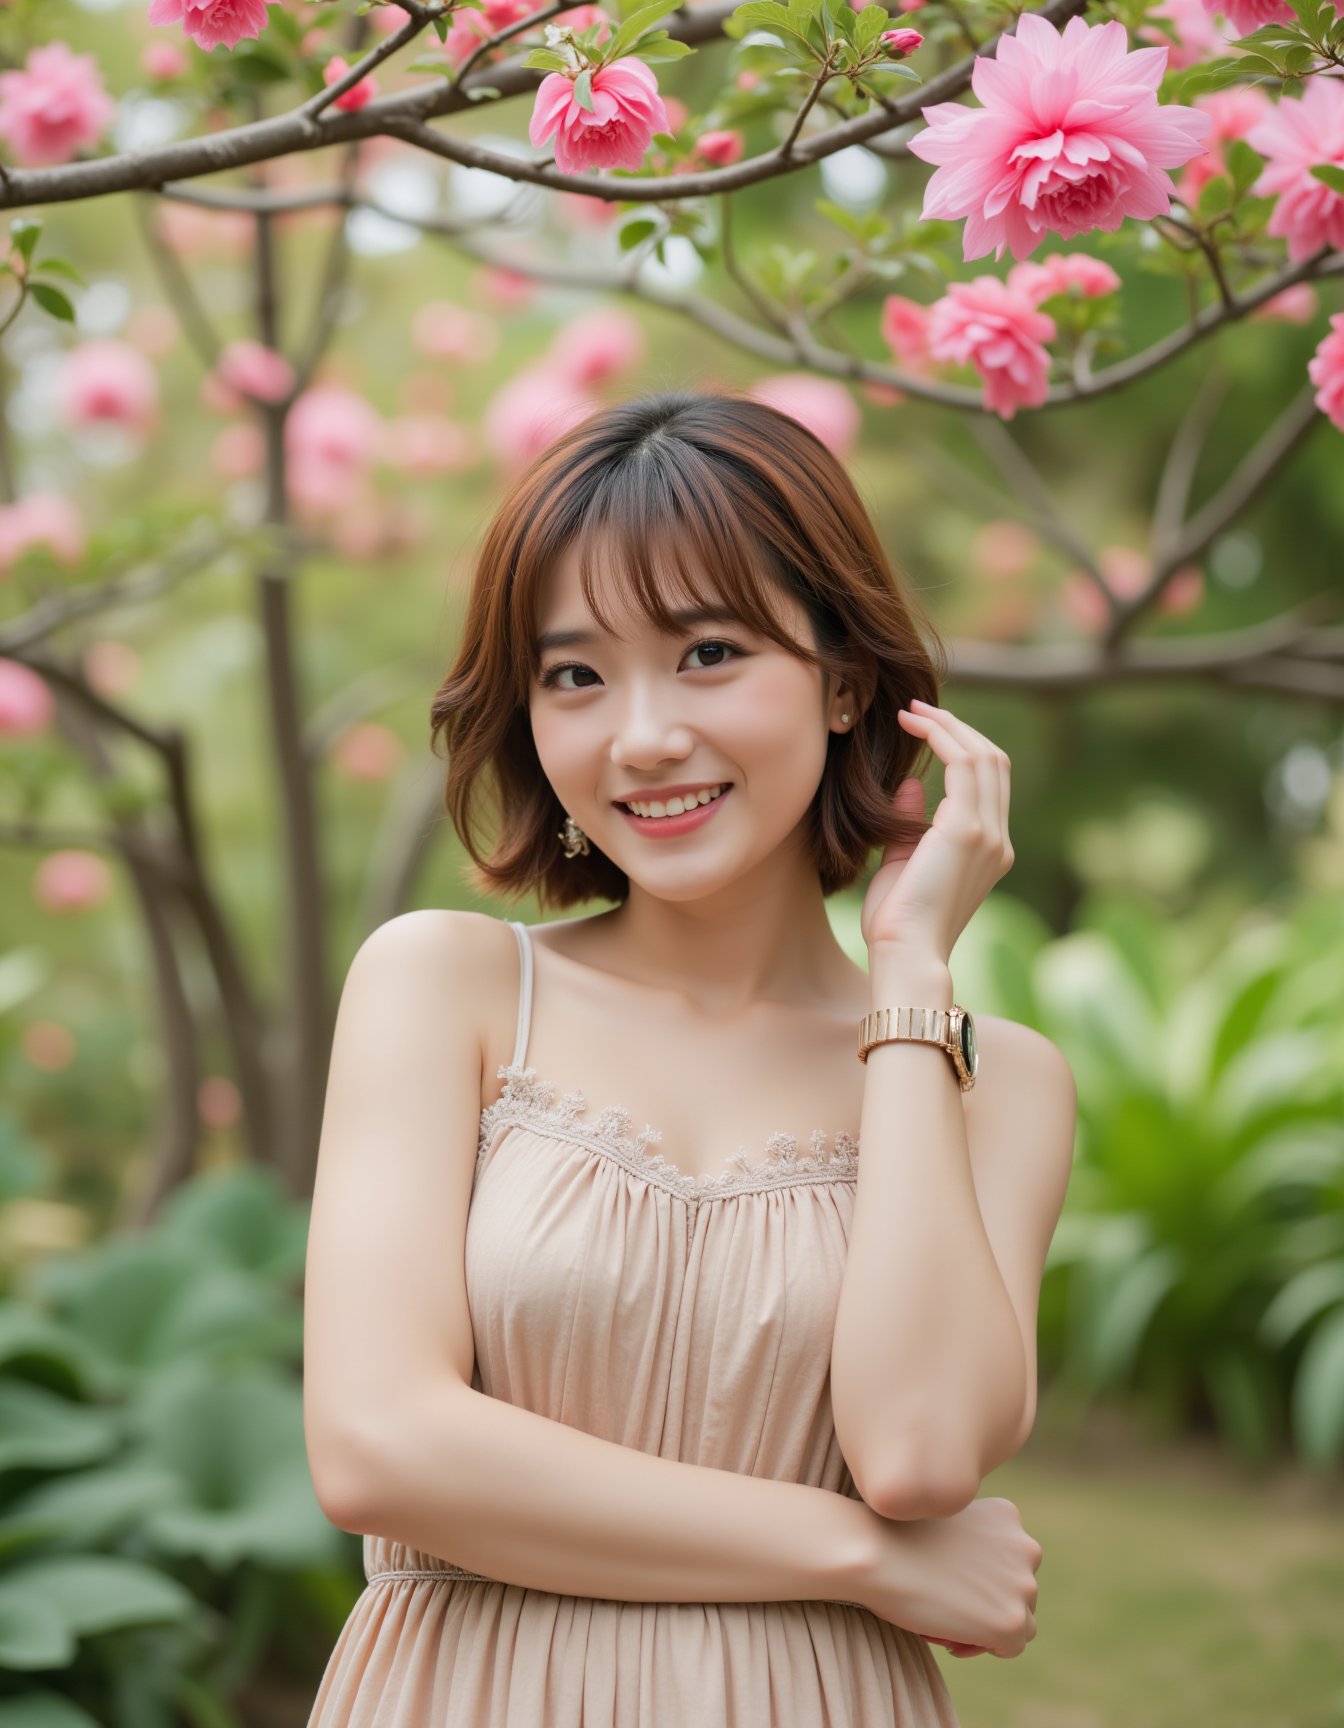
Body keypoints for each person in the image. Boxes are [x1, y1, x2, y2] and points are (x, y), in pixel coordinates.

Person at [302, 388, 1077, 1726]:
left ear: (845, 681)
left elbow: (918, 1450)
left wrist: (909, 982)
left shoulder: (994, 1081)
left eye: (709, 652)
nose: (643, 735)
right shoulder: (450, 988)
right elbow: (380, 1449)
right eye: (575, 675)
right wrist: (861, 1560)